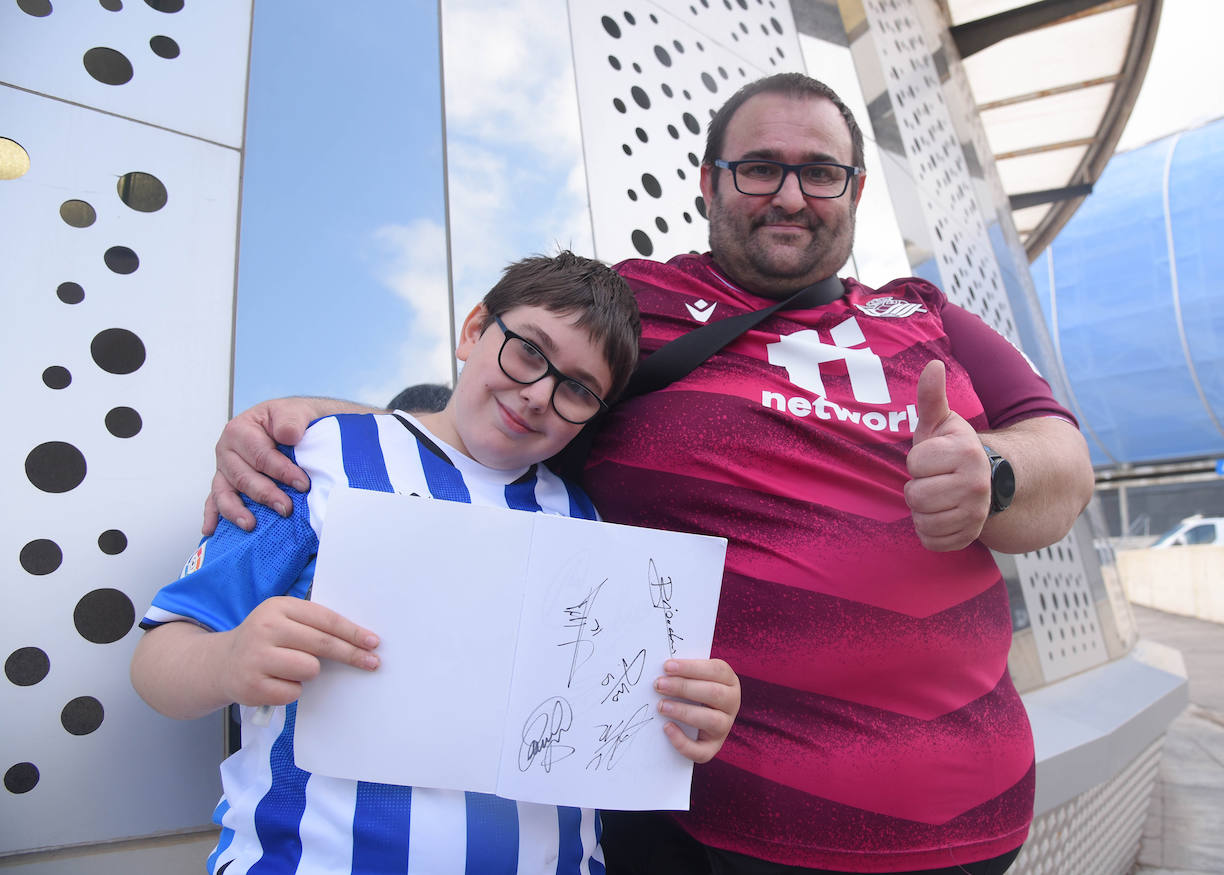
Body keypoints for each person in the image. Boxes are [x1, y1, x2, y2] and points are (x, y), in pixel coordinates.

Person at [204, 74, 1095, 874]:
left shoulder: (927, 316)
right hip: (714, 826)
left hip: (971, 818)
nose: (790, 194)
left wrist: (994, 473)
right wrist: (319, 420)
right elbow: (504, 394)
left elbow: (1064, 460)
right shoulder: (641, 306)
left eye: (820, 172)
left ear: (854, 192)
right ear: (709, 182)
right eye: (759, 167)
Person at [130, 252, 741, 875]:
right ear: (474, 330)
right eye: (529, 350)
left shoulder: (586, 522)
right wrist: (229, 662)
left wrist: (690, 710)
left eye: (578, 390)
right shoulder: (320, 459)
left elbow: (615, 715)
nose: (537, 395)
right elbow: (159, 659)